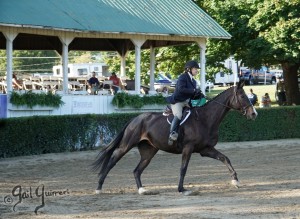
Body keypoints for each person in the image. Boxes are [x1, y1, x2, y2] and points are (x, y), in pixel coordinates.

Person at [166, 60, 204, 145]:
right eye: (195, 69)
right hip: (178, 101)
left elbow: (191, 94)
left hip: (187, 102)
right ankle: (172, 134)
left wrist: (198, 94)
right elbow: (181, 89)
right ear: (189, 69)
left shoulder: (194, 81)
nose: (197, 71)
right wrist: (194, 90)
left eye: (197, 69)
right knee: (179, 115)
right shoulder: (183, 77)